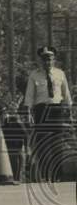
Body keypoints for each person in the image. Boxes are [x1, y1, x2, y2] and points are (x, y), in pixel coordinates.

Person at [23, 46, 73, 181]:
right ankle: (45, 174)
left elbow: (66, 94)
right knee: (43, 143)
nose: (47, 62)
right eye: (44, 60)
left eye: (50, 59)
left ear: (54, 60)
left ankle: (59, 174)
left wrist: (70, 114)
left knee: (58, 143)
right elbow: (29, 96)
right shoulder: (34, 75)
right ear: (41, 61)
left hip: (57, 110)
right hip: (41, 110)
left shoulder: (60, 74)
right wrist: (28, 113)